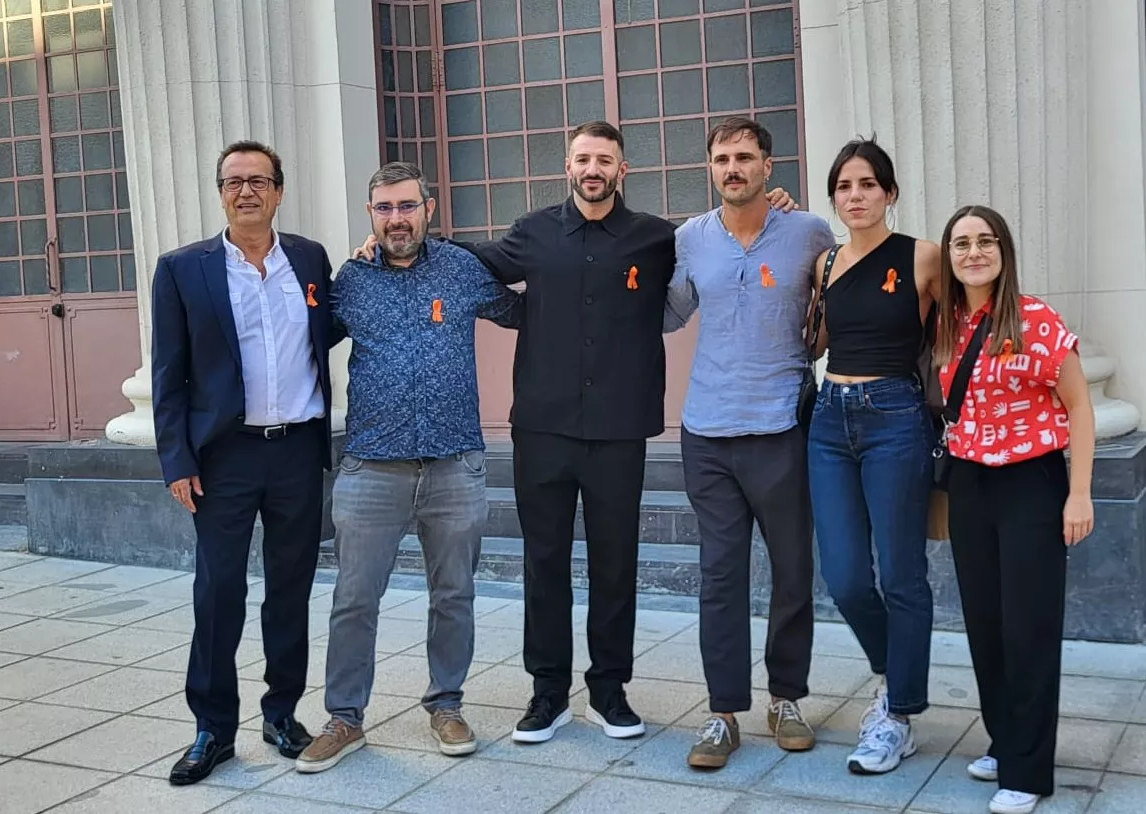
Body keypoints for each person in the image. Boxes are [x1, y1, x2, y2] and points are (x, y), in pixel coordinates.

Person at [350, 121, 793, 745]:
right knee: (545, 562)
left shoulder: (656, 238)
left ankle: (610, 692)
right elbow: (465, 258)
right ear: (568, 165)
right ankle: (548, 694)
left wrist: (769, 204)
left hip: (620, 430)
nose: (593, 169)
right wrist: (390, 238)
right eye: (583, 158)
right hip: (542, 430)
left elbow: (721, 236)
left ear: (622, 170)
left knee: (616, 566)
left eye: (604, 160)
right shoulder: (533, 232)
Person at [293, 163, 524, 773]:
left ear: (429, 206)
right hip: (372, 467)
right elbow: (304, 338)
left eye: (406, 206)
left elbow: (529, 312)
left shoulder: (461, 269)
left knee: (453, 594)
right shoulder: (351, 279)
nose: (396, 219)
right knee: (353, 598)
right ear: (371, 215)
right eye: (384, 209)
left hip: (455, 464)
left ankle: (446, 704)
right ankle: (345, 718)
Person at [151, 140, 332, 784]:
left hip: (298, 453)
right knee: (218, 592)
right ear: (221, 192)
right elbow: (169, 377)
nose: (246, 191)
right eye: (234, 181)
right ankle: (212, 729)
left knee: (290, 591)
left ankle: (282, 713)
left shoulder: (309, 259)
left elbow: (328, 326)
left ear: (279, 191)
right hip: (222, 459)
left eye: (259, 180)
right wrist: (176, 460)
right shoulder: (182, 270)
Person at [663, 116, 836, 769]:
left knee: (793, 571)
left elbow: (836, 303)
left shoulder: (809, 232)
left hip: (782, 427)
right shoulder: (689, 239)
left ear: (769, 166)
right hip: (706, 429)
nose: (732, 168)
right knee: (720, 576)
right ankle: (722, 713)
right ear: (710, 168)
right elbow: (670, 311)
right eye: (721, 158)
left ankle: (786, 698)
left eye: (744, 157)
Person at [934, 204, 1095, 814]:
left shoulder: (1036, 319)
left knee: (1029, 626)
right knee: (986, 622)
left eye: (985, 241)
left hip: (1032, 484)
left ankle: (1028, 771)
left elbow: (1079, 407)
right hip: (971, 486)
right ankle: (1005, 740)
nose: (973, 252)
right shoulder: (947, 325)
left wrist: (1078, 493)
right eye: (961, 244)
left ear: (1004, 250)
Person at [803, 139, 942, 775]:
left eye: (867, 184)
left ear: (889, 192)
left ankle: (897, 713)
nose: (854, 196)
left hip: (896, 420)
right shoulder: (826, 263)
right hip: (831, 420)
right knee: (846, 577)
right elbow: (817, 339)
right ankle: (894, 674)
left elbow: (959, 332)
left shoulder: (923, 257)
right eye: (843, 186)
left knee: (902, 574)